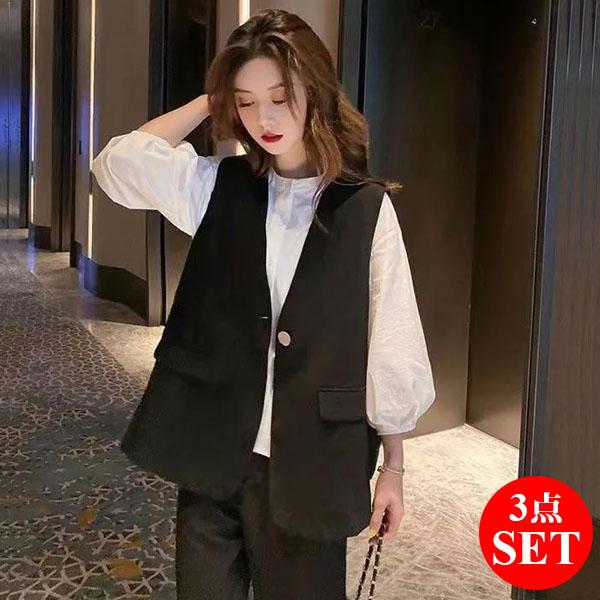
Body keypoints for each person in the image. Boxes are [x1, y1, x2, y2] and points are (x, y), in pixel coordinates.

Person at [91, 8, 435, 600]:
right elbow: (117, 164)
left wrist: (394, 470)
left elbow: (392, 344)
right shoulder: (219, 186)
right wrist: (209, 102)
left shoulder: (365, 210)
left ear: (316, 93)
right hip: (215, 450)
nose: (263, 119)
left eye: (280, 97)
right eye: (246, 102)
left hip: (312, 460)